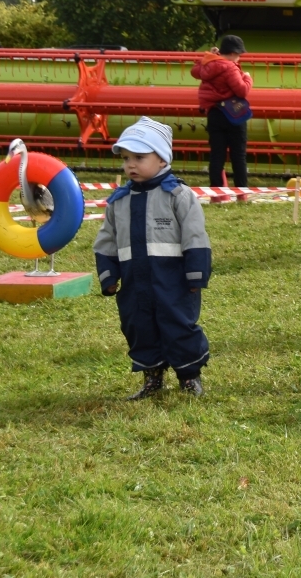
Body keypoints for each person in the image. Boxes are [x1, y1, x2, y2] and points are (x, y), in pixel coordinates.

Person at [93, 117, 212, 399]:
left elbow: (195, 236)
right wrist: (109, 276)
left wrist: (196, 275)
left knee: (178, 325)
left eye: (139, 157)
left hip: (173, 281)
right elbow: (106, 240)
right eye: (125, 158)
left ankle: (189, 377)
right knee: (138, 326)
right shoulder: (118, 201)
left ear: (162, 159)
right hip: (135, 282)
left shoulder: (179, 196)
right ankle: (152, 378)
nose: (130, 164)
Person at [192, 34, 252, 188]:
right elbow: (242, 91)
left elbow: (195, 70)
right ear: (232, 53)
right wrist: (247, 78)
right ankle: (241, 191)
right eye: (238, 55)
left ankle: (216, 191)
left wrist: (210, 55)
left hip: (214, 113)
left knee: (217, 155)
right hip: (233, 114)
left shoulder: (208, 65)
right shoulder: (229, 67)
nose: (239, 58)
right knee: (238, 155)